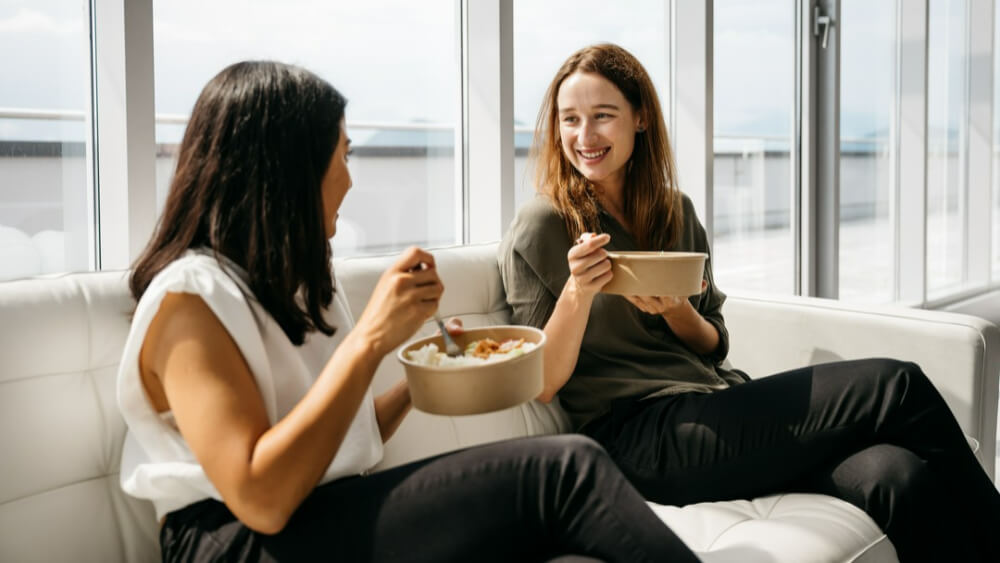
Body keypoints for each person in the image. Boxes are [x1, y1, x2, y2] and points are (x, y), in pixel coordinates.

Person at [116, 60, 701, 563]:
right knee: (568, 468)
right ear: (288, 171)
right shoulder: (189, 302)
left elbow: (321, 437)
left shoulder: (292, 285)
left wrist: (435, 381)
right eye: (342, 154)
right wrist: (371, 338)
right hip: (228, 541)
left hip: (321, 511)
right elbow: (261, 497)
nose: (350, 177)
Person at [499, 43, 1000, 562]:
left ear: (640, 117)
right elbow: (540, 382)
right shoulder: (543, 224)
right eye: (570, 119)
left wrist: (677, 310)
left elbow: (714, 343)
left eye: (602, 116)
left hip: (713, 402)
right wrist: (579, 293)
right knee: (898, 385)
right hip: (638, 437)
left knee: (897, 478)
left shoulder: (673, 211)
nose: (585, 136)